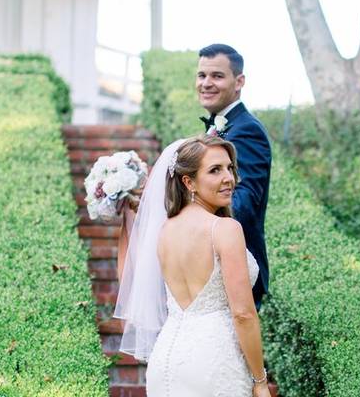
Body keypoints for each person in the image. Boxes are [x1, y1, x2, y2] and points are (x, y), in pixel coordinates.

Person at [115, 136, 270, 397]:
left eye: (230, 168)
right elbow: (243, 313)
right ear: (189, 182)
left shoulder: (163, 231)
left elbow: (129, 278)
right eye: (215, 170)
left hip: (165, 360)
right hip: (215, 360)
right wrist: (260, 380)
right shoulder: (225, 229)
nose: (229, 178)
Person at [196, 43, 272, 308]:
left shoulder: (247, 131)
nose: (206, 83)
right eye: (201, 75)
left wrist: (191, 223)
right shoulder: (217, 128)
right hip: (210, 270)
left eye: (217, 76)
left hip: (234, 269)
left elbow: (243, 201)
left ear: (239, 81)